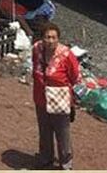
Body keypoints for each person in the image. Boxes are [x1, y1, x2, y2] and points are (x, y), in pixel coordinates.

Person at [32, 22, 81, 170]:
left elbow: (74, 77)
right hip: (41, 98)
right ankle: (46, 158)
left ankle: (66, 163)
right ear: (42, 38)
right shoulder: (36, 49)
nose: (50, 41)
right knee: (44, 130)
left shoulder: (66, 55)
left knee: (62, 133)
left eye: (54, 37)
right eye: (47, 37)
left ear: (58, 39)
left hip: (60, 99)